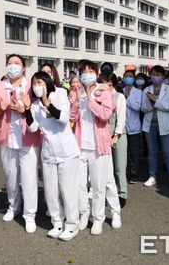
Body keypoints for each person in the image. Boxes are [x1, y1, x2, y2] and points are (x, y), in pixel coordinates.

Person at [23, 71, 80, 241]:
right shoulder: (34, 105)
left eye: (39, 82)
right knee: (50, 191)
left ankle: (72, 225)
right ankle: (57, 222)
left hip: (66, 151)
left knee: (67, 189)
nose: (36, 86)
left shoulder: (60, 94)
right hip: (48, 152)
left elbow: (63, 118)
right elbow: (33, 128)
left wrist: (48, 104)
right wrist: (27, 109)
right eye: (34, 83)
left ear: (47, 82)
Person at [69, 60, 119, 235]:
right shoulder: (77, 91)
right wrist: (75, 103)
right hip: (80, 145)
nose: (86, 74)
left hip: (99, 146)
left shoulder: (103, 91)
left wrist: (91, 99)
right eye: (83, 71)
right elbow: (72, 118)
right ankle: (84, 214)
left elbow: (105, 115)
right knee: (80, 185)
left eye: (90, 71)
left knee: (98, 186)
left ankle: (98, 218)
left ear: (96, 73)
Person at [0, 54, 40, 233]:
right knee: (11, 178)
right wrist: (1, 108)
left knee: (29, 179)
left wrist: (24, 109)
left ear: (24, 68)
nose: (13, 66)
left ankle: (30, 215)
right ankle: (13, 206)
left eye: (17, 63)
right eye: (10, 63)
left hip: (28, 139)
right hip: (7, 138)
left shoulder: (31, 86)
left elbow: (39, 109)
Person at [141, 65, 169, 191]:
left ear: (163, 77)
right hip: (150, 125)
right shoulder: (146, 89)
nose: (155, 77)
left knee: (168, 153)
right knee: (152, 153)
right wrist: (151, 105)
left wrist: (155, 101)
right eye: (153, 74)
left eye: (158, 75)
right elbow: (143, 108)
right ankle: (152, 176)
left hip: (165, 126)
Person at [102, 73, 127, 223]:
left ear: (111, 83)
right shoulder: (100, 96)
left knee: (119, 168)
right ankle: (108, 194)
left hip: (118, 136)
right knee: (107, 169)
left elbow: (121, 118)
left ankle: (122, 194)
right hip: (104, 137)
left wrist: (116, 136)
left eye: (105, 82)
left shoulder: (119, 96)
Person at [121, 66, 143, 184]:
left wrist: (127, 98)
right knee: (124, 152)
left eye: (130, 77)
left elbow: (137, 107)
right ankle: (124, 172)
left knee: (134, 151)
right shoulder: (120, 91)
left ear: (134, 79)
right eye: (126, 76)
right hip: (122, 127)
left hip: (134, 127)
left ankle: (133, 173)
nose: (128, 78)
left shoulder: (139, 92)